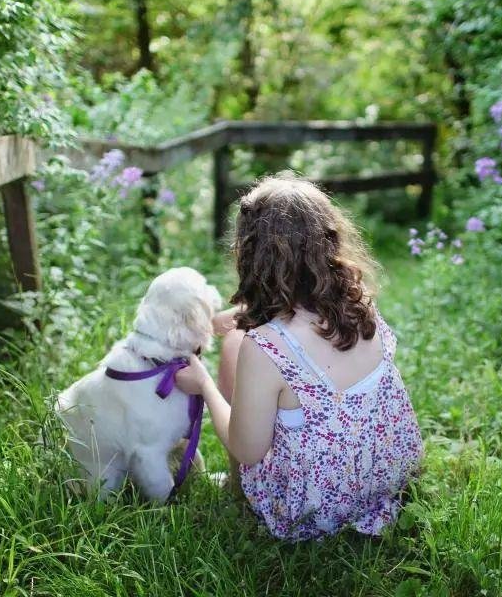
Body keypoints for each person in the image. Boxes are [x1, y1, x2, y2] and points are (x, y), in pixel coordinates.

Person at [174, 175, 423, 541]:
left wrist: (205, 387)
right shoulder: (359, 305)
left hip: (314, 506)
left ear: (252, 254)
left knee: (233, 346)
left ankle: (238, 488)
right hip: (386, 479)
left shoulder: (264, 347)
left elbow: (249, 450)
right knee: (240, 339)